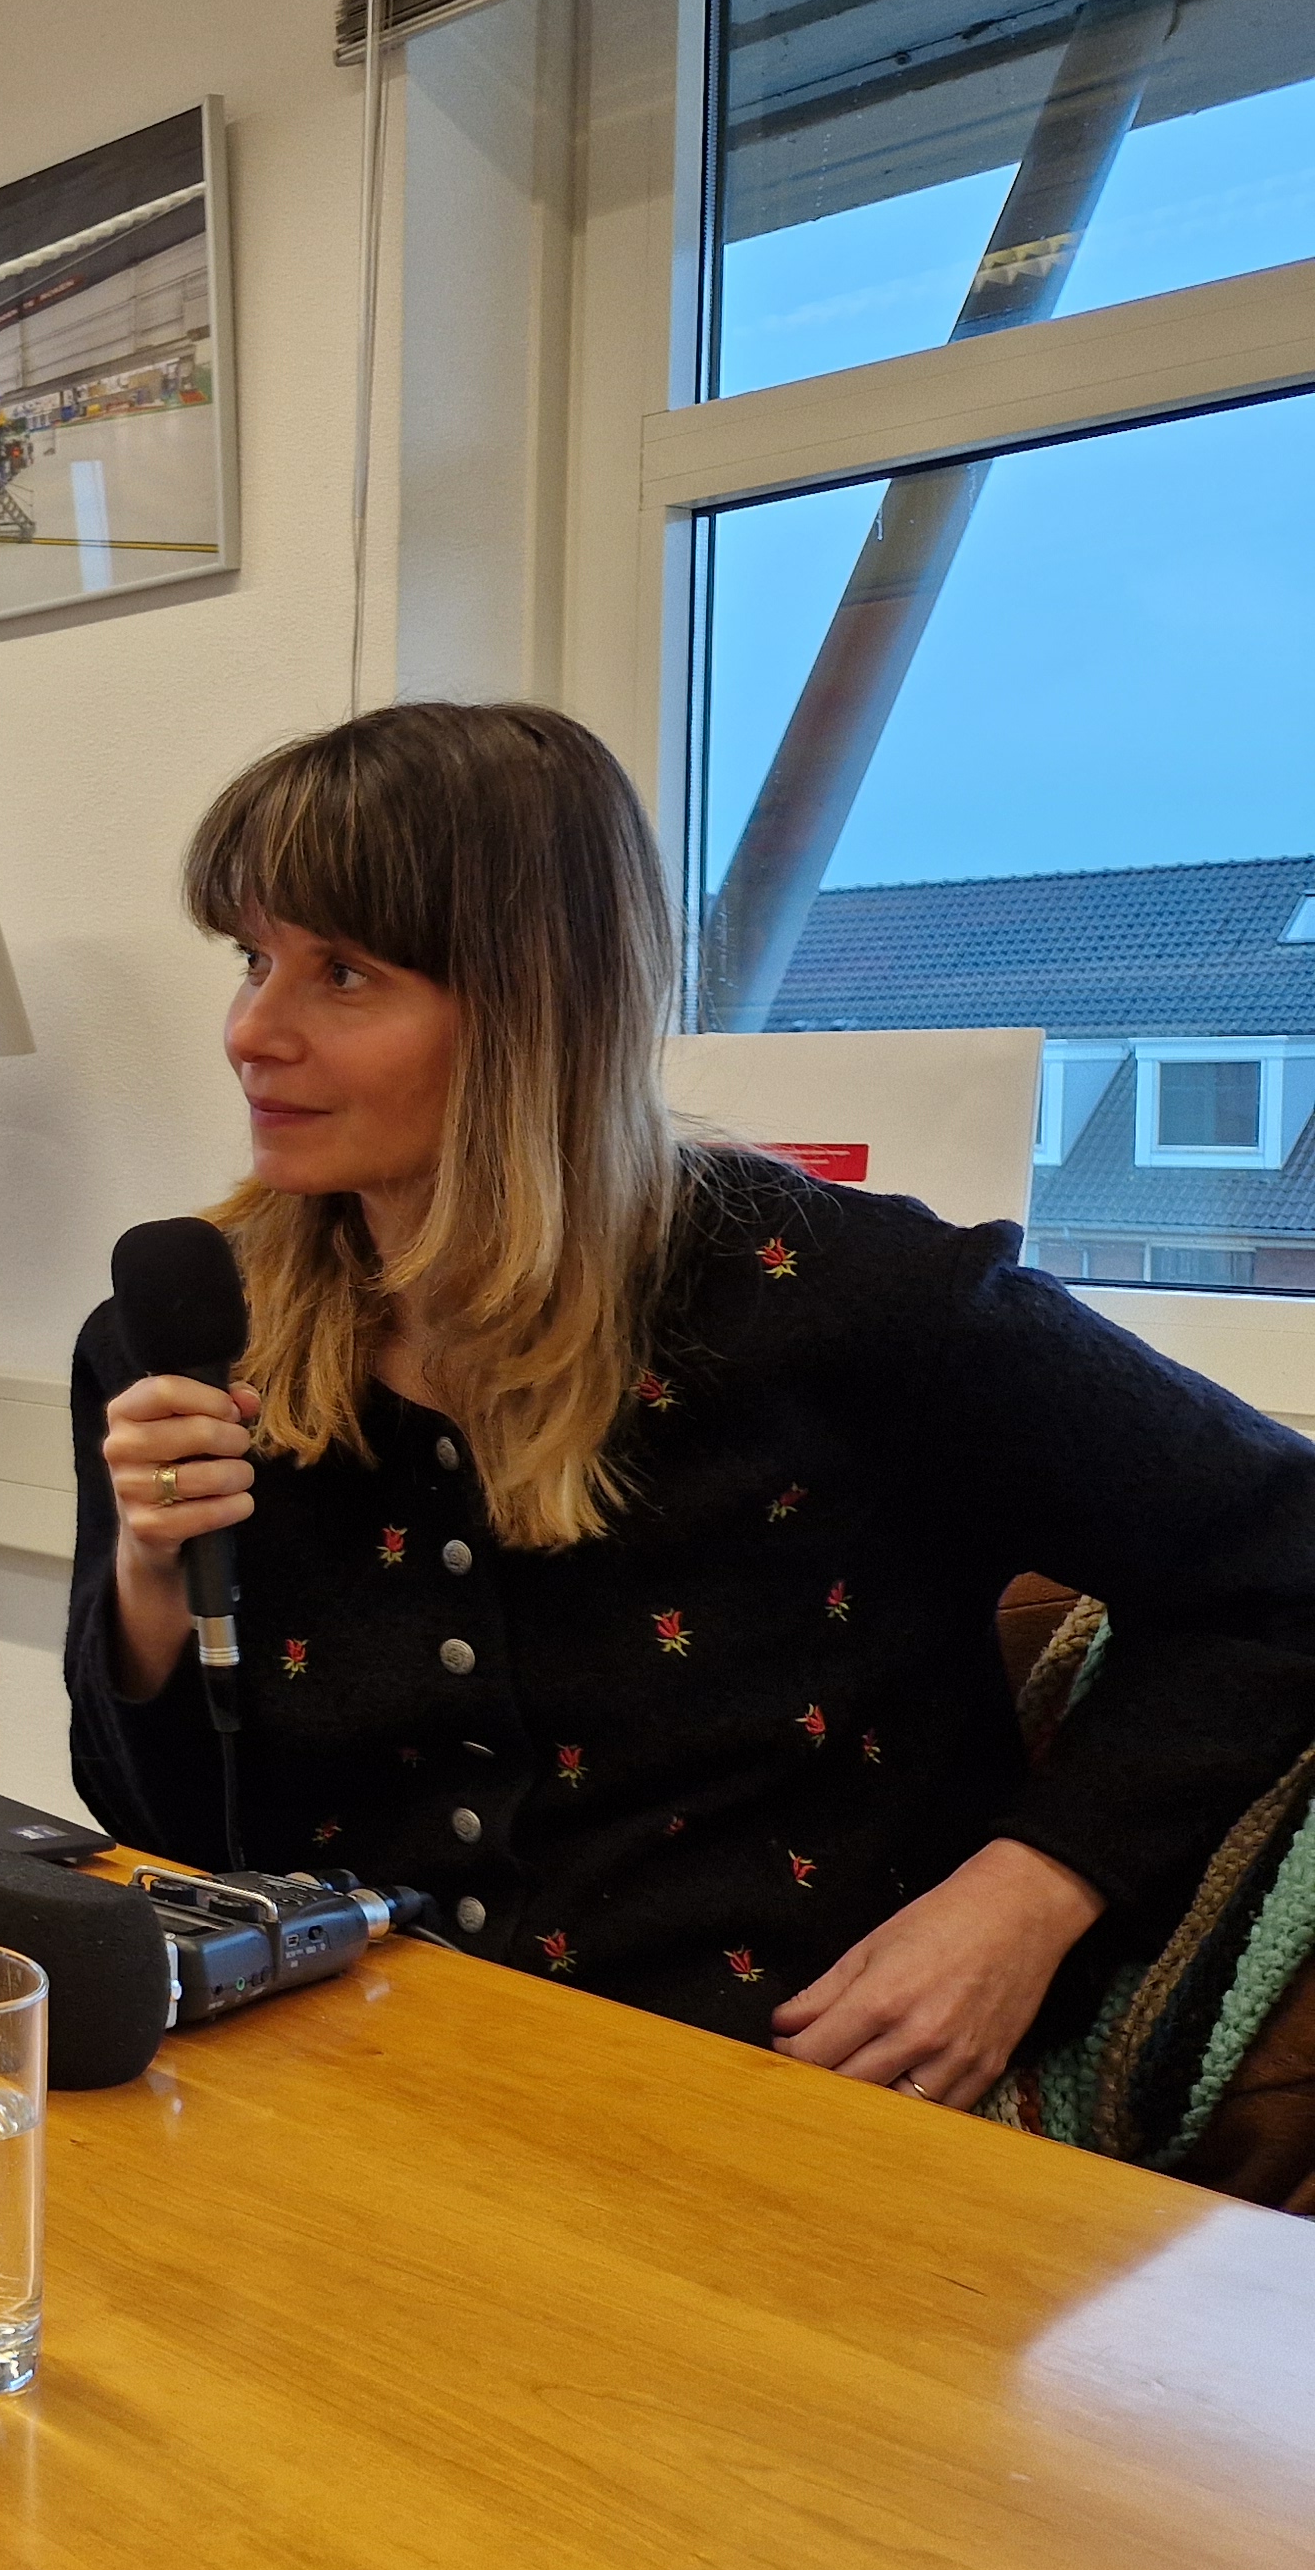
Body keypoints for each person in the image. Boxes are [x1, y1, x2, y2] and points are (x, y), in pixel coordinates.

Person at [68, 701, 1315, 2104]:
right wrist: (153, 1578)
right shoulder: (181, 1326)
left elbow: (1281, 1558)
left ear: (540, 1004)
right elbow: (160, 1826)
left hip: (772, 2107)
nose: (251, 1032)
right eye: (252, 961)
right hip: (353, 2078)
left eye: (341, 975)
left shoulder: (849, 1296)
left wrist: (1029, 1894)